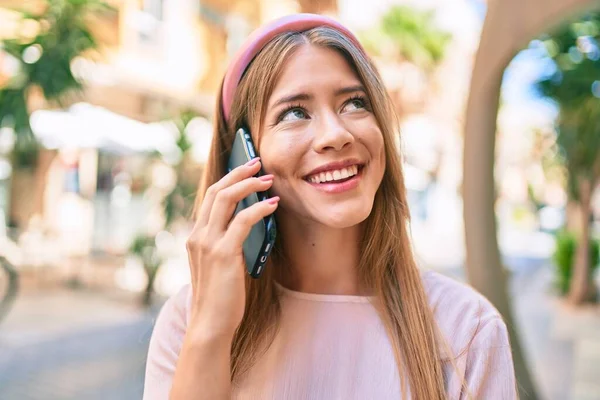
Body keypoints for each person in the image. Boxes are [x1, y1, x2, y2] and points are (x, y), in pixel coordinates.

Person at [143, 13, 517, 400]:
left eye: (355, 103)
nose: (335, 135)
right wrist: (210, 330)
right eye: (294, 113)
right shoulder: (187, 322)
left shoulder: (468, 329)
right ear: (243, 156)